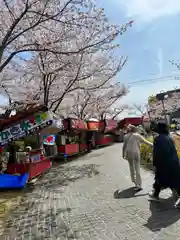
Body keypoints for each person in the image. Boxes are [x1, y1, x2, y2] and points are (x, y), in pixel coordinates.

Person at [149, 121, 180, 207]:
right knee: (175, 181)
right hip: (174, 162)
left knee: (160, 179)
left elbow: (157, 153)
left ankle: (155, 195)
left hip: (164, 164)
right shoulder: (169, 137)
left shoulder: (158, 139)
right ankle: (155, 194)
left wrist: (154, 164)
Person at [123, 125, 153, 191]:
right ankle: (139, 185)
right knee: (137, 169)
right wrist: (153, 145)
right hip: (136, 153)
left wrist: (123, 154)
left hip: (129, 153)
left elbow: (124, 146)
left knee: (131, 168)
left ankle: (135, 182)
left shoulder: (125, 136)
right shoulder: (137, 135)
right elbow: (145, 141)